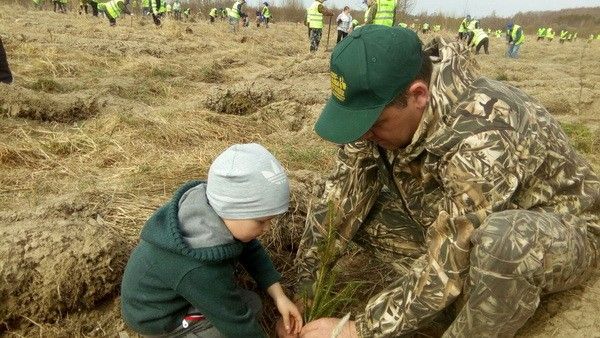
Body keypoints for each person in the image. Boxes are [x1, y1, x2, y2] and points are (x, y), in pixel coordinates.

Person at [290, 25, 599, 338]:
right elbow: (337, 202)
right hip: (466, 217)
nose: (363, 134)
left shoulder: (485, 135)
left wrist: (360, 329)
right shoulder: (382, 113)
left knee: (501, 242)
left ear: (418, 96)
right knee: (351, 207)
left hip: (561, 234)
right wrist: (302, 296)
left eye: (372, 124)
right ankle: (462, 294)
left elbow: (448, 261)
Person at [121, 143, 303, 337]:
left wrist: (279, 296)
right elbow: (236, 323)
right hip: (157, 317)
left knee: (252, 304)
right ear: (232, 209)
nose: (267, 229)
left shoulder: (213, 210)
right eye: (261, 221)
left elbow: (251, 249)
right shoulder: (199, 267)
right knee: (239, 316)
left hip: (175, 293)